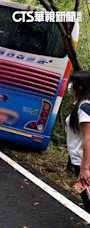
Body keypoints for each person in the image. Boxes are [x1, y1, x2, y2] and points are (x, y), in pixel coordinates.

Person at [66, 71, 90, 212]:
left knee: (88, 201)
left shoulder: (84, 107)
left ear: (81, 87)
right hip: (79, 161)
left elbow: (88, 136)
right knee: (84, 196)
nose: (70, 86)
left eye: (73, 83)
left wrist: (85, 168)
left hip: (83, 162)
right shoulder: (81, 105)